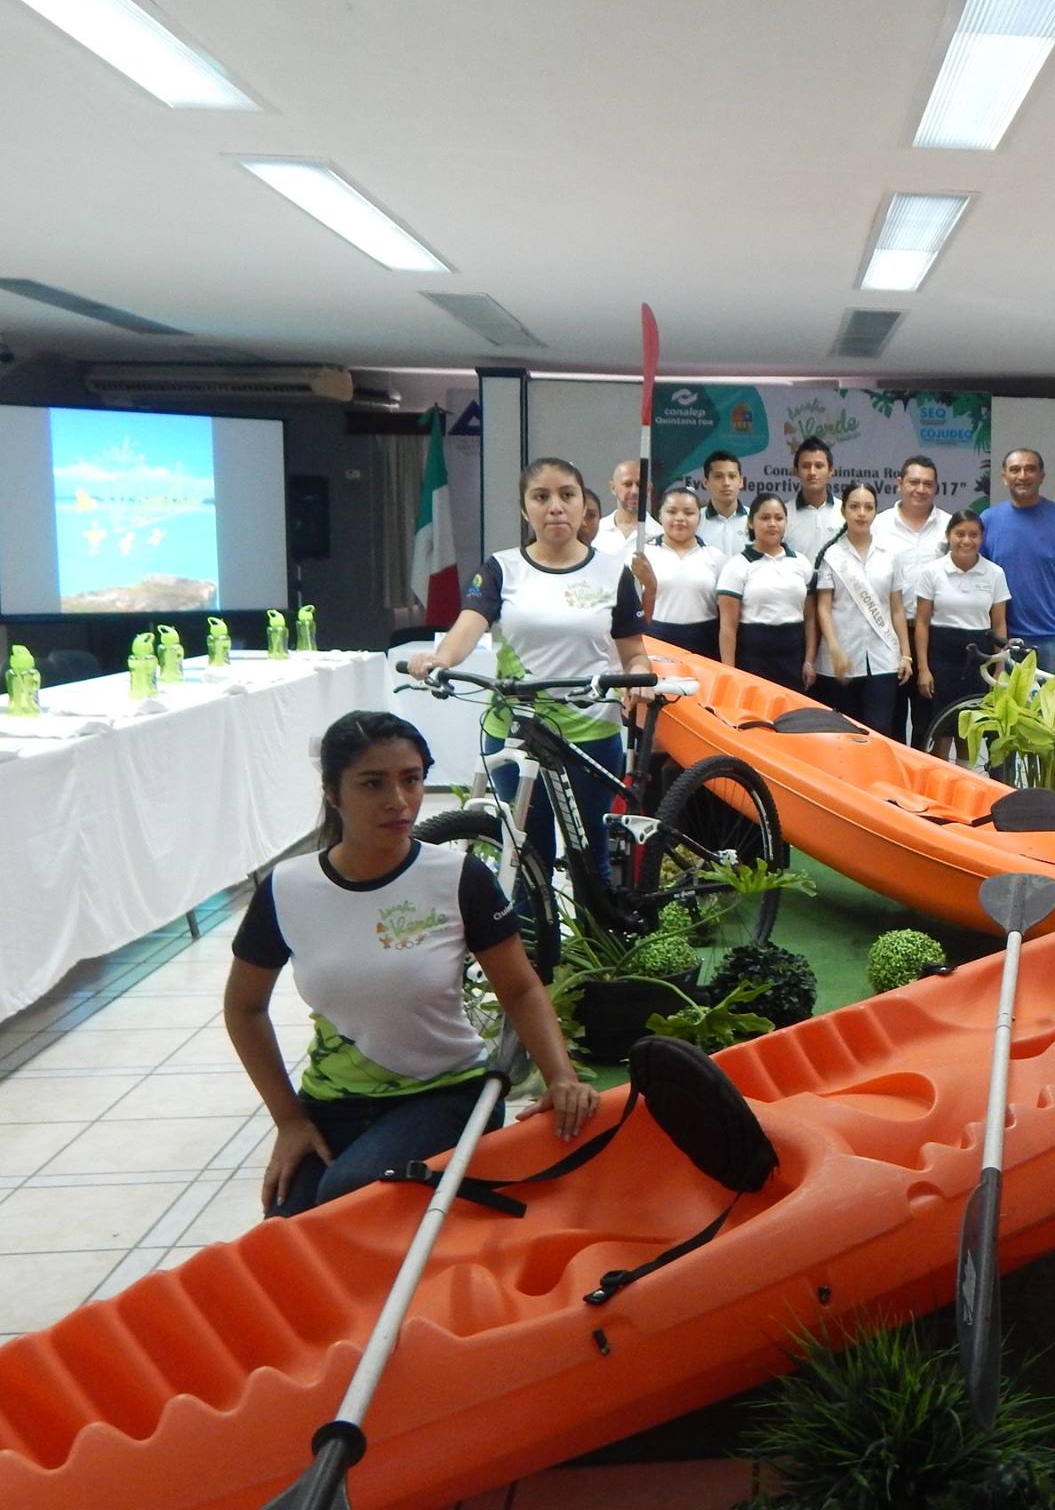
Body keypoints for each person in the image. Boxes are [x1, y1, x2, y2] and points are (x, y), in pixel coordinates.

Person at [224, 711, 598, 1217]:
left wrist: (561, 1077)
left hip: (448, 1094)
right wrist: (289, 1121)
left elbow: (520, 989)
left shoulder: (458, 877)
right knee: (287, 1228)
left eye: (412, 779)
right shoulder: (286, 889)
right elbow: (244, 1007)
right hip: (333, 1102)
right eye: (372, 783)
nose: (398, 801)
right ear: (332, 792)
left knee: (349, 1197)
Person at [406, 458, 651, 875]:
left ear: (583, 505)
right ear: (525, 509)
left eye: (567, 495)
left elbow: (634, 653)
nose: (555, 507)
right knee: (524, 854)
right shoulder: (501, 569)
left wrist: (637, 677)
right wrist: (439, 659)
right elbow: (469, 625)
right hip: (514, 730)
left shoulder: (614, 574)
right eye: (541, 497)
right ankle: (531, 922)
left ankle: (599, 920)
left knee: (590, 853)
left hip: (591, 731)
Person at [979, 448, 1055, 677]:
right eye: (1015, 470)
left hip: (1054, 638)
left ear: (1042, 476)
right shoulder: (988, 520)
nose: (1022, 475)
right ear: (1004, 477)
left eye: (1030, 469)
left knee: (1052, 702)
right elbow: (978, 582)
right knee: (1005, 702)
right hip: (1005, 639)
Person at [812, 481, 911, 732]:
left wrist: (906, 654)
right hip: (841, 659)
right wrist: (834, 648)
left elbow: (897, 608)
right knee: (845, 734)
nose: (861, 513)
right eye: (855, 506)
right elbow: (823, 607)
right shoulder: (831, 555)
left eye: (868, 507)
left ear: (876, 511)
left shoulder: (890, 554)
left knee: (880, 732)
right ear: (843, 510)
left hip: (884, 659)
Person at [914, 510, 1010, 759]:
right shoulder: (932, 571)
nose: (966, 540)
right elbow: (922, 622)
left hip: (979, 661)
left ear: (981, 538)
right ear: (948, 535)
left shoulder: (995, 573)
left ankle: (966, 778)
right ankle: (941, 780)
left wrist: (999, 669)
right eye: (960, 534)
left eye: (973, 535)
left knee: (970, 731)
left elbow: (999, 624)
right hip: (941, 660)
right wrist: (923, 669)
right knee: (941, 732)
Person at [875, 454, 953, 744]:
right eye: (914, 482)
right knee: (890, 718)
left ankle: (922, 771)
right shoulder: (879, 525)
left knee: (928, 721)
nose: (920, 489)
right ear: (899, 484)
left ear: (936, 487)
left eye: (928, 484)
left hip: (933, 637)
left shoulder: (949, 526)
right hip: (889, 634)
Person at [717, 493, 813, 690]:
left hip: (793, 657)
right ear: (751, 523)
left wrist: (809, 660)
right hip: (753, 657)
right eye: (765, 518)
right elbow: (728, 627)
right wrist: (729, 672)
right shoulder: (736, 566)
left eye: (779, 518)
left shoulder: (801, 562)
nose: (772, 524)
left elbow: (811, 618)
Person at [633, 482, 727, 658]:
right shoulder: (642, 556)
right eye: (672, 511)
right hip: (656, 639)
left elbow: (725, 612)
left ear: (699, 517)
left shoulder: (716, 557)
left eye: (689, 513)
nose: (680, 518)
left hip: (704, 641)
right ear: (660, 515)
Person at [783, 435, 844, 562]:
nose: (812, 472)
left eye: (819, 466)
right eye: (806, 466)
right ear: (796, 471)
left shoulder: (845, 512)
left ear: (831, 470)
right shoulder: (783, 514)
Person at [695, 450, 751, 558]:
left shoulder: (754, 520)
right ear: (706, 482)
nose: (726, 483)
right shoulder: (696, 521)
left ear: (741, 482)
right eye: (718, 476)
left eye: (732, 476)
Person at [590, 459, 644, 558]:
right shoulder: (595, 531)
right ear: (613, 488)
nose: (634, 491)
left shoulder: (659, 534)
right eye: (627, 484)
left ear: (648, 489)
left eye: (639, 485)